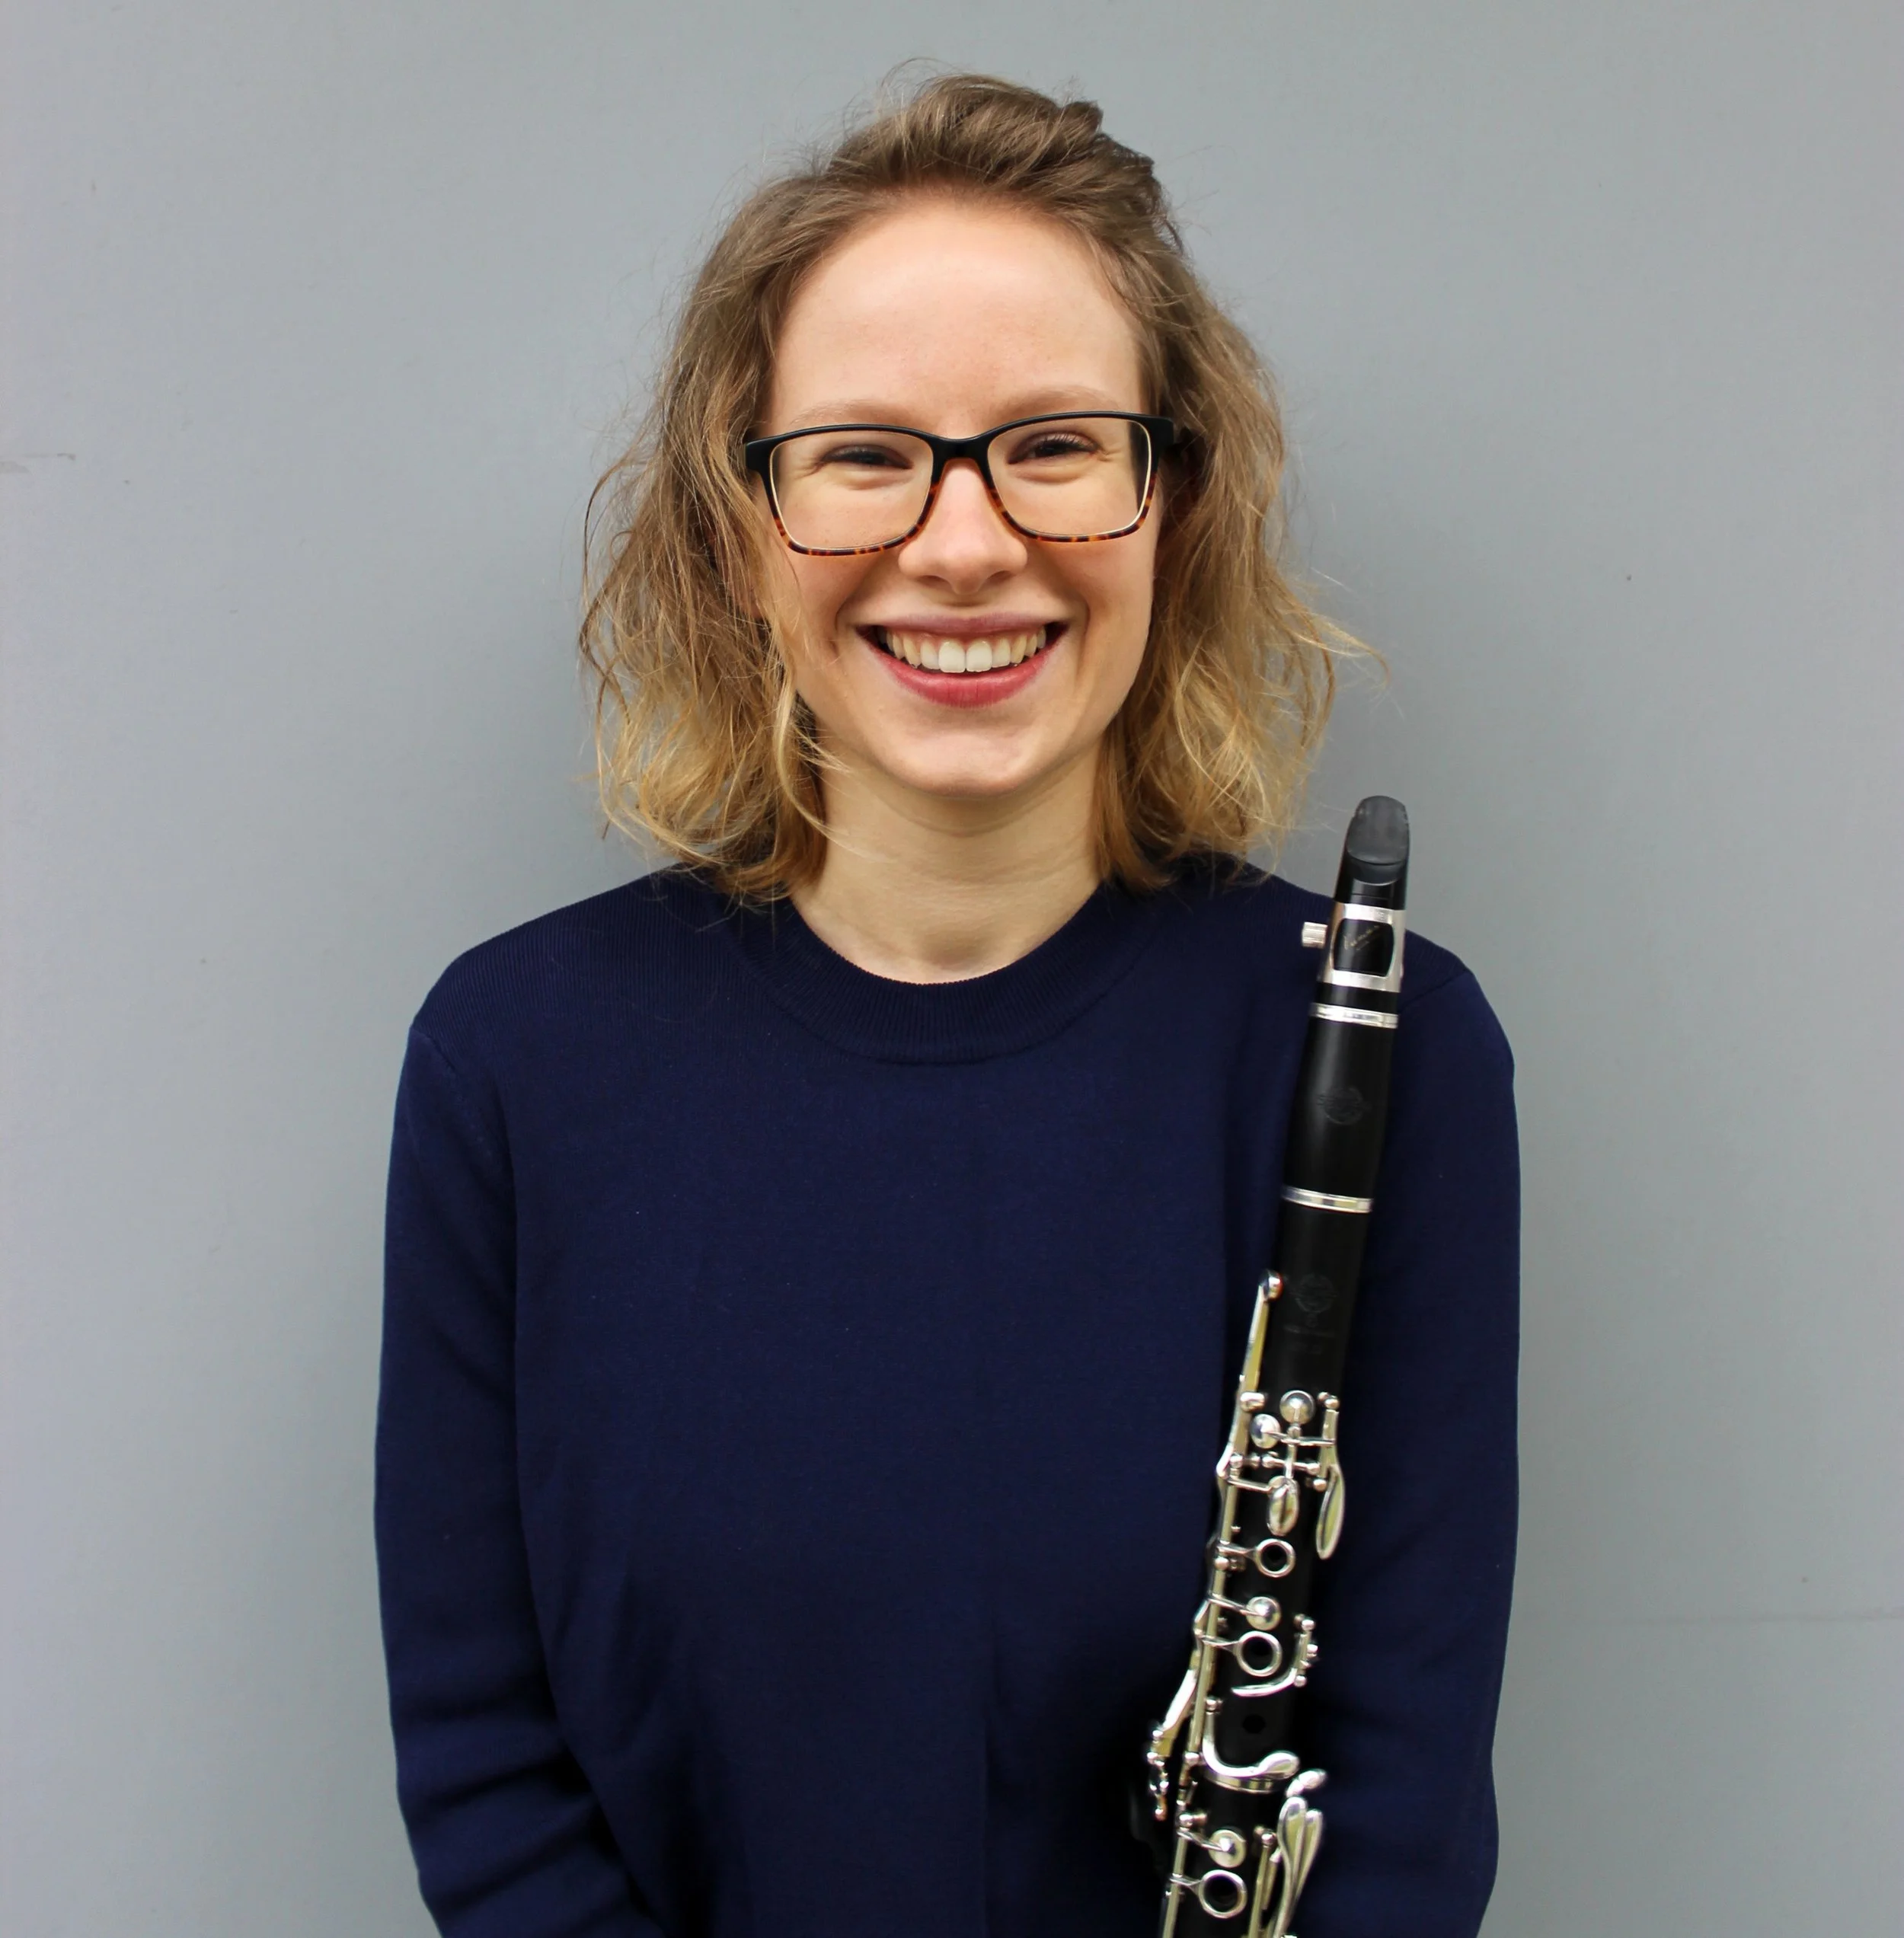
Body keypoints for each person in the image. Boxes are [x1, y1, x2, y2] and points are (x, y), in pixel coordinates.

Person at [375, 73, 1518, 1938]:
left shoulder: (1386, 1055)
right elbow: (490, 1777)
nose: (966, 543)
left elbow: (1390, 1801)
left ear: (1171, 498)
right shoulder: (516, 1066)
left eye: (1052, 443)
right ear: (738, 529)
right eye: (862, 454)